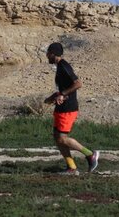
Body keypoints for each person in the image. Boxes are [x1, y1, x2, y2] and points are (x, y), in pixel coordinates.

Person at [44, 42, 99, 175]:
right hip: (61, 108)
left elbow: (78, 84)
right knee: (57, 138)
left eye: (48, 53)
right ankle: (71, 168)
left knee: (62, 138)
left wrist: (62, 94)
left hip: (68, 108)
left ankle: (90, 155)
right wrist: (53, 96)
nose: (46, 56)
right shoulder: (59, 67)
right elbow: (64, 88)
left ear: (53, 53)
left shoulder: (64, 65)